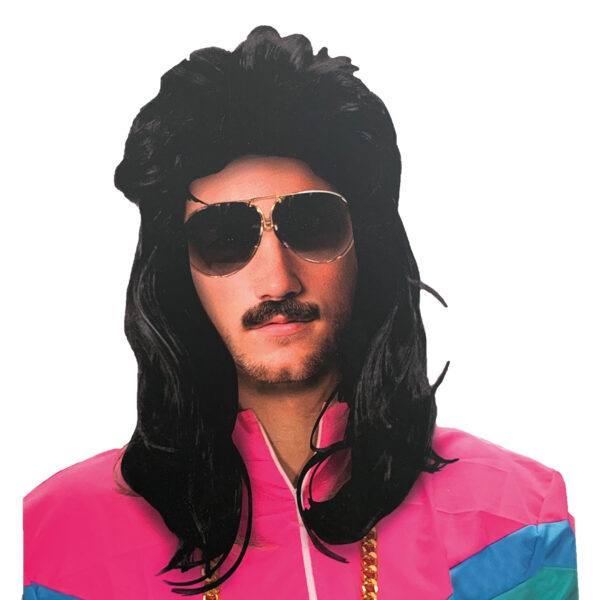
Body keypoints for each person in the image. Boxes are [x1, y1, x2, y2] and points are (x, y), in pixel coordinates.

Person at [23, 25, 578, 600]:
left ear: (366, 249)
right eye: (224, 239)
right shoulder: (54, 541)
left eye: (311, 226)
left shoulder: (516, 521)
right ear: (180, 274)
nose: (276, 280)